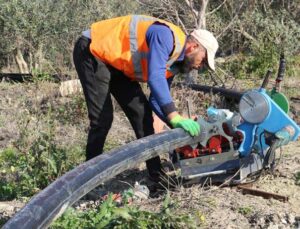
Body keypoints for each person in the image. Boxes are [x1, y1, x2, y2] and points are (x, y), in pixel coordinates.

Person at [73, 15, 219, 182]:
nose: (200, 67)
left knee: (143, 114)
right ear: (193, 46)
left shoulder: (174, 64)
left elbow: (157, 100)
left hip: (116, 64)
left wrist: (177, 123)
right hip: (93, 50)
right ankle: (86, 180)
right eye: (203, 60)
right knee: (102, 119)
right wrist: (174, 116)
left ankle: (157, 177)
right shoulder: (165, 36)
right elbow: (155, 76)